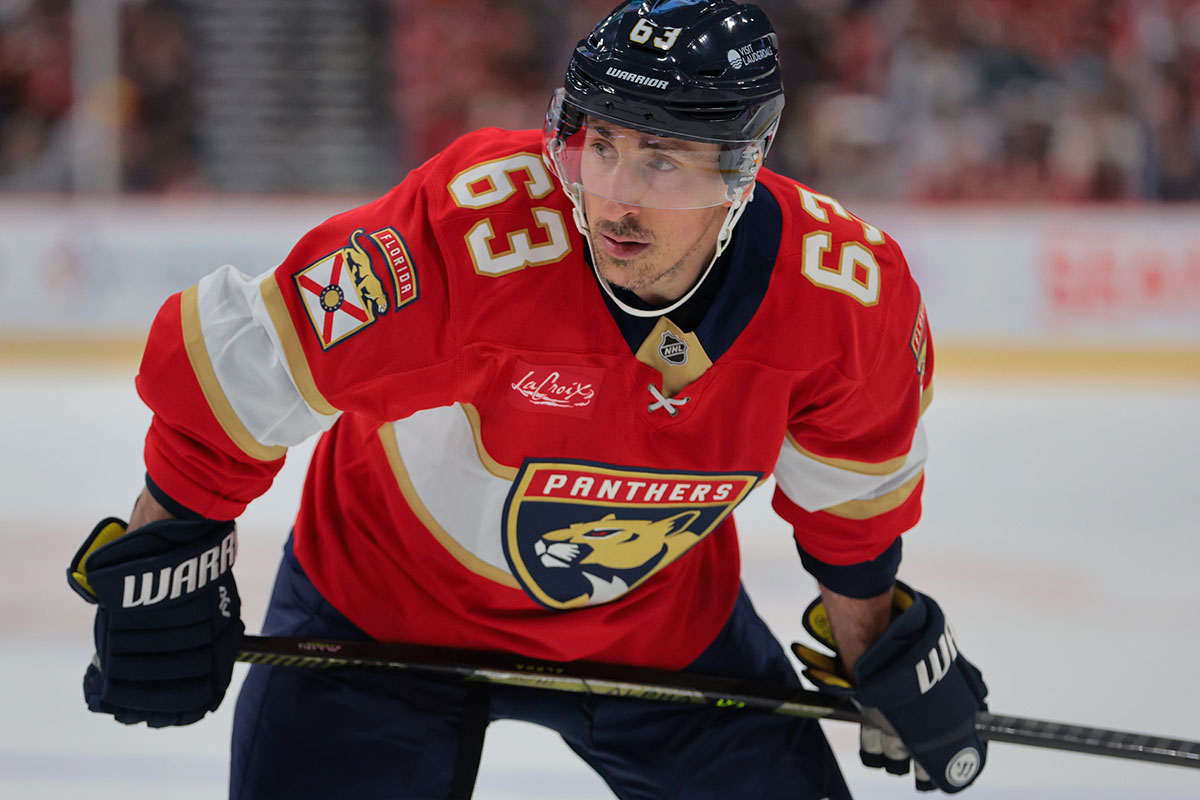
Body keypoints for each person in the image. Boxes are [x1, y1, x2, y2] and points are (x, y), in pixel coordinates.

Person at [66, 1, 989, 797]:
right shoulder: (472, 231)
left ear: (744, 165)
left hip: (656, 635)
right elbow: (246, 364)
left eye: (663, 161)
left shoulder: (845, 298)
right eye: (603, 144)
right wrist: (169, 548)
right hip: (382, 616)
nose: (615, 198)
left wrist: (878, 638)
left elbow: (851, 502)